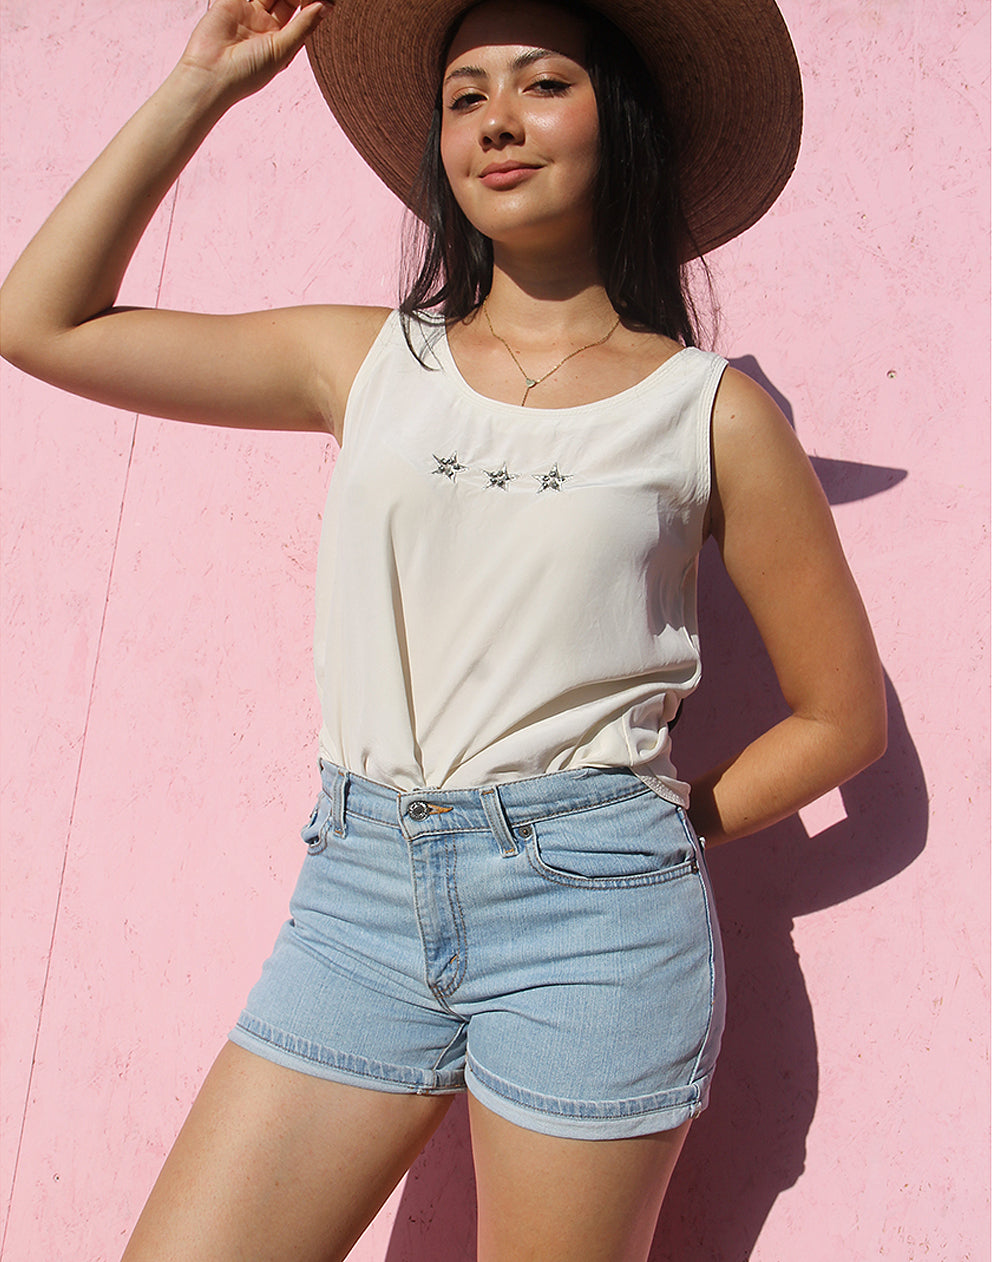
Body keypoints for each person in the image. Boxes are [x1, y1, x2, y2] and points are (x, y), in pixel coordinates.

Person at [0, 0, 887, 1257]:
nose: (495, 122)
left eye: (538, 84)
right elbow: (41, 322)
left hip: (595, 924)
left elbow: (841, 719)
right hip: (357, 899)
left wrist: (631, 828)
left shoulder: (709, 412)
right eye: (463, 96)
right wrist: (199, 86)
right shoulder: (361, 362)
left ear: (618, 122)